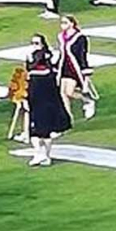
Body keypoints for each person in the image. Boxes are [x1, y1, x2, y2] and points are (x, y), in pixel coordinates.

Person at [26, 35, 72, 167]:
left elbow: (52, 70)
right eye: (32, 42)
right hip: (35, 95)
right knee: (34, 131)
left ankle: (46, 155)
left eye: (37, 43)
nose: (34, 45)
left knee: (45, 131)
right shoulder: (30, 56)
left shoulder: (49, 57)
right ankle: (37, 154)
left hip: (46, 97)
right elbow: (29, 71)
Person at [57, 15, 97, 121]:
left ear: (72, 24)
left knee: (69, 92)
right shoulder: (61, 37)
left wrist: (85, 69)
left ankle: (87, 100)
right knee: (62, 93)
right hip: (64, 66)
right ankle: (68, 117)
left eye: (65, 22)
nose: (62, 25)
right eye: (62, 23)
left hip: (75, 68)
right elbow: (62, 53)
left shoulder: (80, 38)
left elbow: (82, 54)